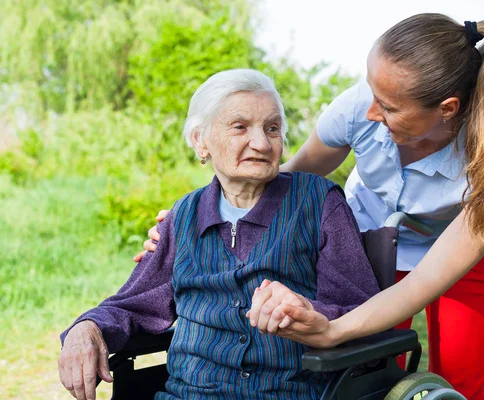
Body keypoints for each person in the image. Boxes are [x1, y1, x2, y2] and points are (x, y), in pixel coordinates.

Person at [139, 14, 484, 400]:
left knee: (460, 380)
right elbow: (281, 180)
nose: (371, 112)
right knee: (375, 369)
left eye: (389, 108)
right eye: (372, 94)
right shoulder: (360, 107)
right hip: (372, 238)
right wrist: (198, 222)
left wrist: (335, 329)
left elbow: (421, 284)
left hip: (458, 252)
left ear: (446, 109)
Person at [58, 69, 380, 400]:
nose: (262, 143)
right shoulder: (184, 215)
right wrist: (87, 328)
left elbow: (357, 309)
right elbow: (135, 303)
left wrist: (310, 312)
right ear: (201, 141)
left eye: (272, 128)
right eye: (240, 127)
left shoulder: (319, 201)